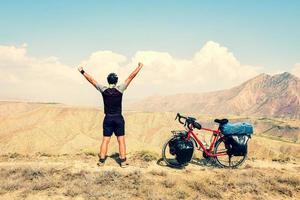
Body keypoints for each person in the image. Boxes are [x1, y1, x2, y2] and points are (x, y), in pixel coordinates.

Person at [78, 62, 144, 167]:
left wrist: (82, 71)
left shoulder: (103, 90)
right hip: (118, 118)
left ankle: (101, 161)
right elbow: (131, 77)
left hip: (108, 118)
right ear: (116, 81)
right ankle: (123, 161)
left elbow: (92, 80)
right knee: (121, 140)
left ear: (107, 81)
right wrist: (139, 67)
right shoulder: (120, 89)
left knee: (105, 140)